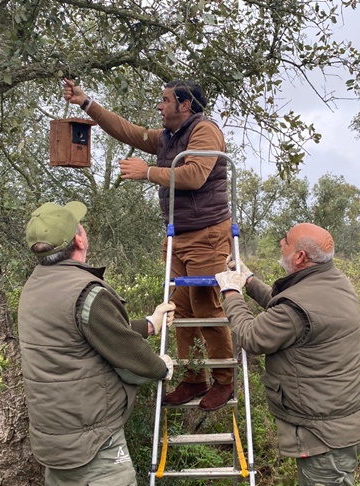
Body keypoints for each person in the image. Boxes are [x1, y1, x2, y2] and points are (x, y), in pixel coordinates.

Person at [62, 78, 234, 411]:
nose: (159, 106)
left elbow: (196, 174)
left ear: (185, 105)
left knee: (205, 308)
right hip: (178, 236)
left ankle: (224, 381)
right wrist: (86, 103)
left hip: (207, 234)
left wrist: (149, 171)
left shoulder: (204, 131)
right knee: (179, 310)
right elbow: (128, 131)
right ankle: (194, 378)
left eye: (165, 100)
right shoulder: (167, 137)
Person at [17, 201, 175, 486]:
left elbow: (89, 331)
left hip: (54, 447)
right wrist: (161, 367)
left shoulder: (34, 287)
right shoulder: (88, 292)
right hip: (93, 448)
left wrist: (151, 324)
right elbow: (128, 353)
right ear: (79, 239)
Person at [215, 223, 360, 486]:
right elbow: (287, 312)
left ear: (300, 257)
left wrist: (231, 293)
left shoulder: (299, 305)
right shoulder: (333, 280)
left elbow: (252, 337)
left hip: (323, 435)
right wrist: (250, 282)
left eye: (285, 240)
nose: (279, 242)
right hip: (344, 424)